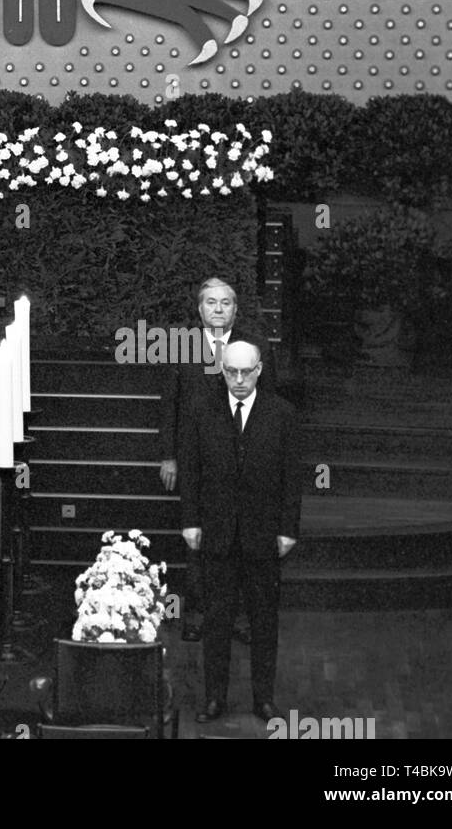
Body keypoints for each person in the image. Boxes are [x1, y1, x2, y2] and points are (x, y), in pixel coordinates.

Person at [179, 340, 301, 723]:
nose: (238, 379)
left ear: (260, 370)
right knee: (216, 621)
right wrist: (190, 520)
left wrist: (288, 529)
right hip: (216, 532)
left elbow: (292, 477)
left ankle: (263, 699)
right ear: (222, 370)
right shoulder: (203, 411)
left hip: (263, 534)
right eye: (230, 371)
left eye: (246, 371)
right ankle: (214, 698)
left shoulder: (282, 414)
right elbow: (191, 470)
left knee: (265, 621)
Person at [157, 276, 266, 641]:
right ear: (199, 308)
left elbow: (269, 404)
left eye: (225, 303)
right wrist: (169, 457)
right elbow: (169, 404)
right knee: (197, 538)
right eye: (211, 303)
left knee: (242, 540)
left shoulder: (255, 345)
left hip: (243, 459)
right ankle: (198, 616)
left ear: (236, 308)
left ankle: (238, 619)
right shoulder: (180, 346)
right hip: (195, 460)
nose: (218, 309)